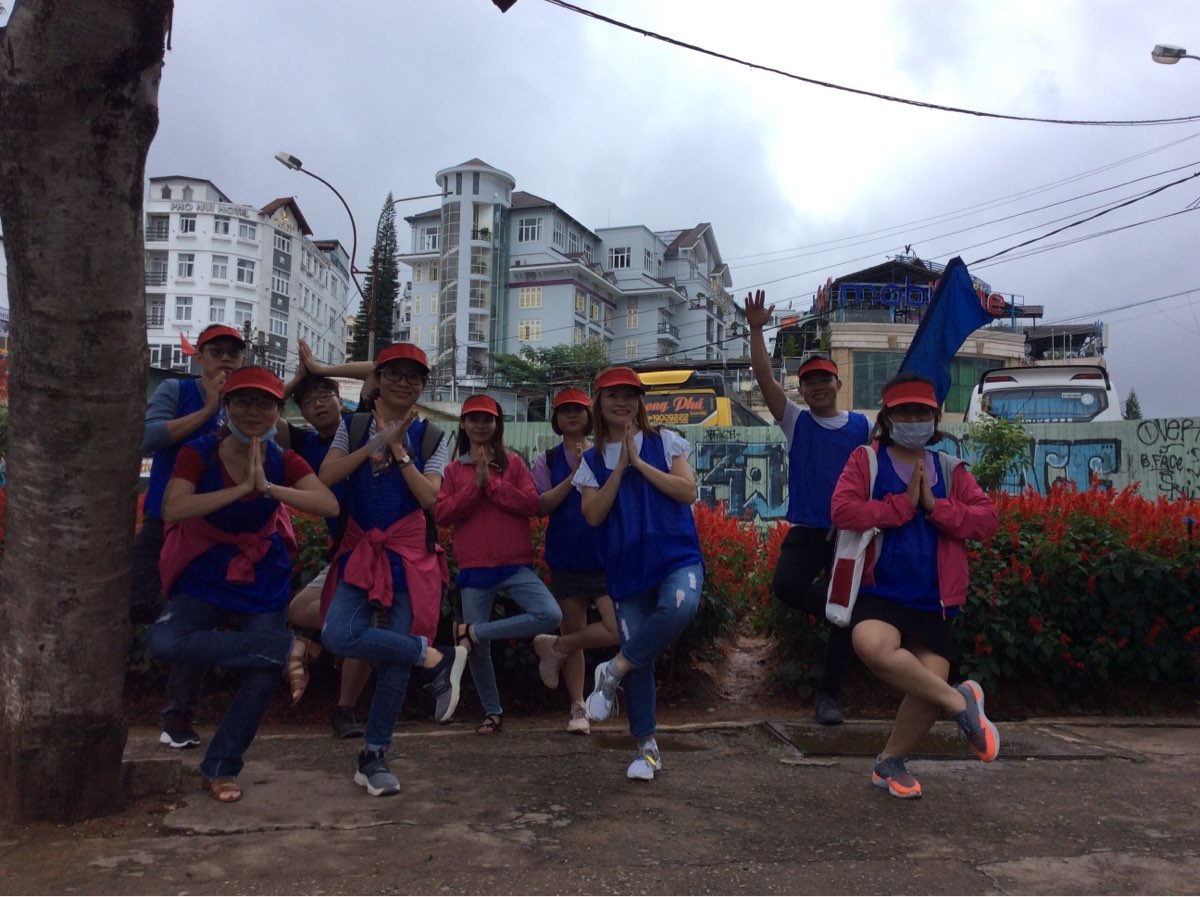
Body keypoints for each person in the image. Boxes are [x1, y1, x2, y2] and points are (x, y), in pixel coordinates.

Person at [147, 367, 339, 802]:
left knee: (262, 675)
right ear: (227, 406)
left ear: (278, 411)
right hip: (204, 568)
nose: (254, 411)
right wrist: (239, 491)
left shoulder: (284, 460)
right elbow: (173, 507)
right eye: (244, 401)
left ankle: (221, 766)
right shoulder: (200, 451)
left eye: (265, 403)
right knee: (165, 639)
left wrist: (267, 487)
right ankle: (287, 647)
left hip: (260, 571)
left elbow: (327, 503)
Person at [830, 373, 1000, 799]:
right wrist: (901, 507)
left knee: (927, 686)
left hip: (934, 601)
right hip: (880, 593)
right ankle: (961, 703)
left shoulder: (950, 469)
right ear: (887, 418)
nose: (912, 419)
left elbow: (986, 521)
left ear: (935, 418)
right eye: (903, 412)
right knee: (871, 643)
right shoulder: (866, 461)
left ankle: (890, 762)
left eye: (921, 412)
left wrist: (934, 506)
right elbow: (843, 511)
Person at [318, 342, 466, 797]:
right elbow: (326, 476)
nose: (403, 382)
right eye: (394, 374)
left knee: (395, 667)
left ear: (422, 386)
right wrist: (374, 444)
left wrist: (399, 450)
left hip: (408, 556)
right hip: (362, 552)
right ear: (377, 380)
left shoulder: (433, 437)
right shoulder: (352, 426)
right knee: (338, 634)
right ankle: (432, 656)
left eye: (413, 376)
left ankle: (374, 755)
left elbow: (430, 499)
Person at [744, 290, 870, 725]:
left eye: (824, 379)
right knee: (787, 585)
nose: (818, 386)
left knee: (841, 620)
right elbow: (764, 379)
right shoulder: (797, 421)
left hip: (850, 534)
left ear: (838, 384)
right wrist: (756, 330)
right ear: (801, 389)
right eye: (810, 381)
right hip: (810, 529)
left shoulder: (862, 427)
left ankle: (828, 696)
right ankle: (844, 608)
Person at [573, 367, 704, 781]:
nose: (622, 402)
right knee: (641, 662)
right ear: (599, 403)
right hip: (627, 570)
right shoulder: (590, 461)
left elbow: (688, 491)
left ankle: (612, 670)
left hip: (676, 556)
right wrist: (619, 469)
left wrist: (640, 464)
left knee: (681, 607)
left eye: (630, 395)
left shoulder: (664, 441)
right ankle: (646, 750)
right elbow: (593, 515)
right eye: (613, 395)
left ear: (640, 402)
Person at [137, 323, 247, 749]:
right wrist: (207, 411)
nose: (226, 359)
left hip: (214, 530)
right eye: (216, 351)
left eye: (234, 353)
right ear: (198, 357)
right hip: (165, 522)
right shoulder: (175, 390)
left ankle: (179, 715)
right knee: (138, 605)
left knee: (193, 615)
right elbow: (147, 438)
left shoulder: (246, 401)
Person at [435, 394, 562, 736]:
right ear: (463, 424)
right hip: (475, 570)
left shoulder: (514, 464)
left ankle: (472, 632)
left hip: (515, 565)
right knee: (479, 653)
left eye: (487, 419)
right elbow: (442, 514)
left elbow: (531, 504)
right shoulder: (452, 470)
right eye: (474, 419)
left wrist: (491, 485)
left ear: (497, 425)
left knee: (550, 615)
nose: (480, 425)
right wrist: (474, 489)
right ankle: (492, 712)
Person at [280, 372, 374, 740]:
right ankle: (341, 634)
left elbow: (375, 371)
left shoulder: (360, 425)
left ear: (340, 400)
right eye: (308, 401)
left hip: (376, 546)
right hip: (343, 550)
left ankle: (344, 709)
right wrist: (299, 379)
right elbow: (268, 412)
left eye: (324, 396)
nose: (317, 405)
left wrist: (320, 366)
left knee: (358, 619)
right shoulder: (305, 443)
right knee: (299, 608)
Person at [530, 388, 619, 735]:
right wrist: (574, 475)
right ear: (556, 418)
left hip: (604, 555)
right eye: (564, 410)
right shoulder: (549, 459)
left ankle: (557, 647)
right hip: (566, 554)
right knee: (573, 626)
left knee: (617, 628)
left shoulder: (605, 453)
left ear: (589, 416)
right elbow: (540, 505)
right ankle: (578, 705)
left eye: (578, 410)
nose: (572, 415)